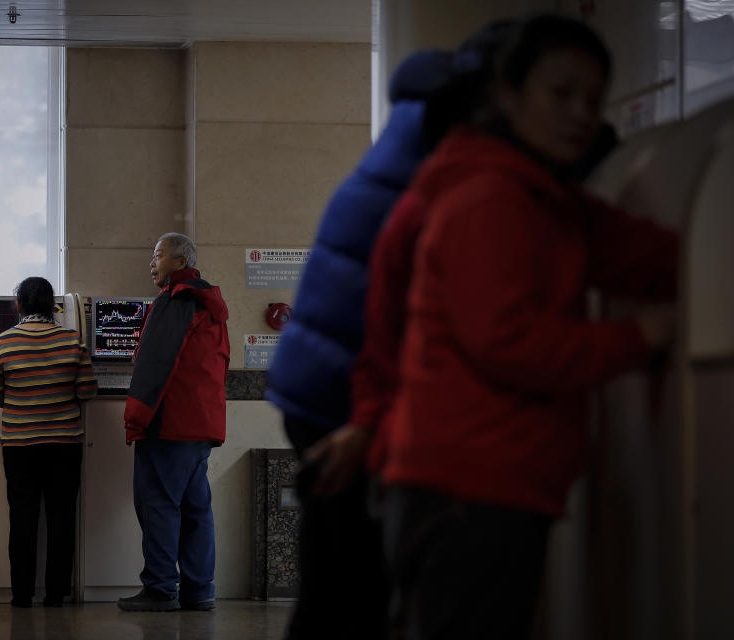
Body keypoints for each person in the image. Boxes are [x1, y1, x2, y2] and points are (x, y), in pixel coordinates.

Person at [344, 15, 677, 639]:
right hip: (467, 488)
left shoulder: (539, 196)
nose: (581, 113)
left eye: (592, 99)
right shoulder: (489, 199)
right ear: (508, 94)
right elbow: (506, 341)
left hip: (470, 480)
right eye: (561, 92)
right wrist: (639, 339)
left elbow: (640, 252)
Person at [262, 46, 462, 639]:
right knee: (352, 590)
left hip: (315, 391)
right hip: (343, 403)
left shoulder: (395, 156)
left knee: (333, 581)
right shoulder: (440, 174)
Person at [118, 232, 229, 612]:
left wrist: (135, 417)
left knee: (158, 505)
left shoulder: (174, 300)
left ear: (180, 263)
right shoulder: (208, 304)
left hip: (169, 424)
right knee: (196, 508)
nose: (152, 262)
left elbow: (154, 363)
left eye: (159, 255)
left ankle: (161, 587)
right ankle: (199, 589)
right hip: (201, 426)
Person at [0, 276, 98, 608]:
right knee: (62, 519)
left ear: (19, 305)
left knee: (22, 519)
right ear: (53, 306)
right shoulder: (72, 341)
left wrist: (17, 401)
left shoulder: (5, 341)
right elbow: (88, 390)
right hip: (64, 445)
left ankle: (21, 595)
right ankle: (56, 594)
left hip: (19, 445)